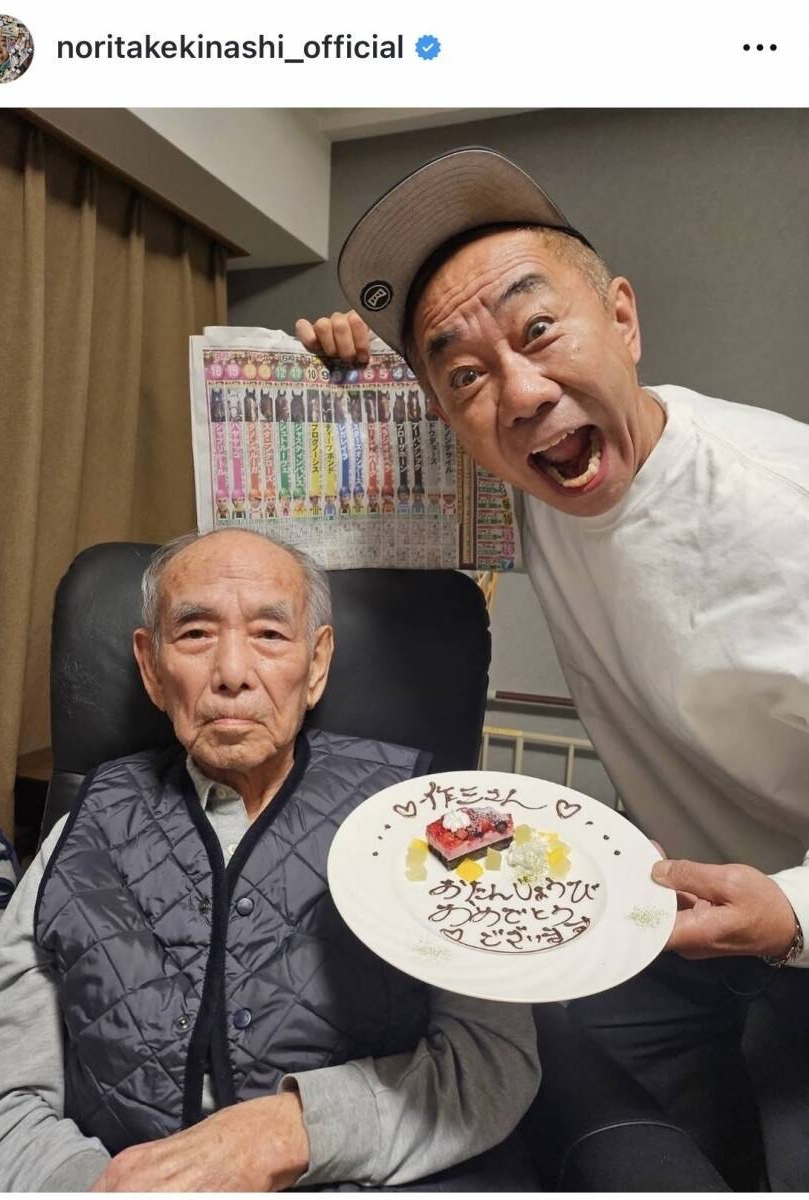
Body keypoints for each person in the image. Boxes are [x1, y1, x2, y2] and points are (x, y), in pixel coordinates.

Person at [296, 146, 809, 1190]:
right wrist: (351, 376)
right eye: (464, 374)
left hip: (787, 911)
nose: (521, 394)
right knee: (589, 1101)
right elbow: (343, 493)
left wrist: (793, 912)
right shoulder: (526, 479)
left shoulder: (781, 508)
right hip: (675, 908)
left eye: (537, 331)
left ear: (621, 318)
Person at [0, 527, 539, 1192]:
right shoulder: (84, 831)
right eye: (195, 634)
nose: (231, 673)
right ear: (152, 668)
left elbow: (491, 1060)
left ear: (316, 664)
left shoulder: (431, 821)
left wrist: (295, 1130)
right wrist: (108, 1185)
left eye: (269, 635)